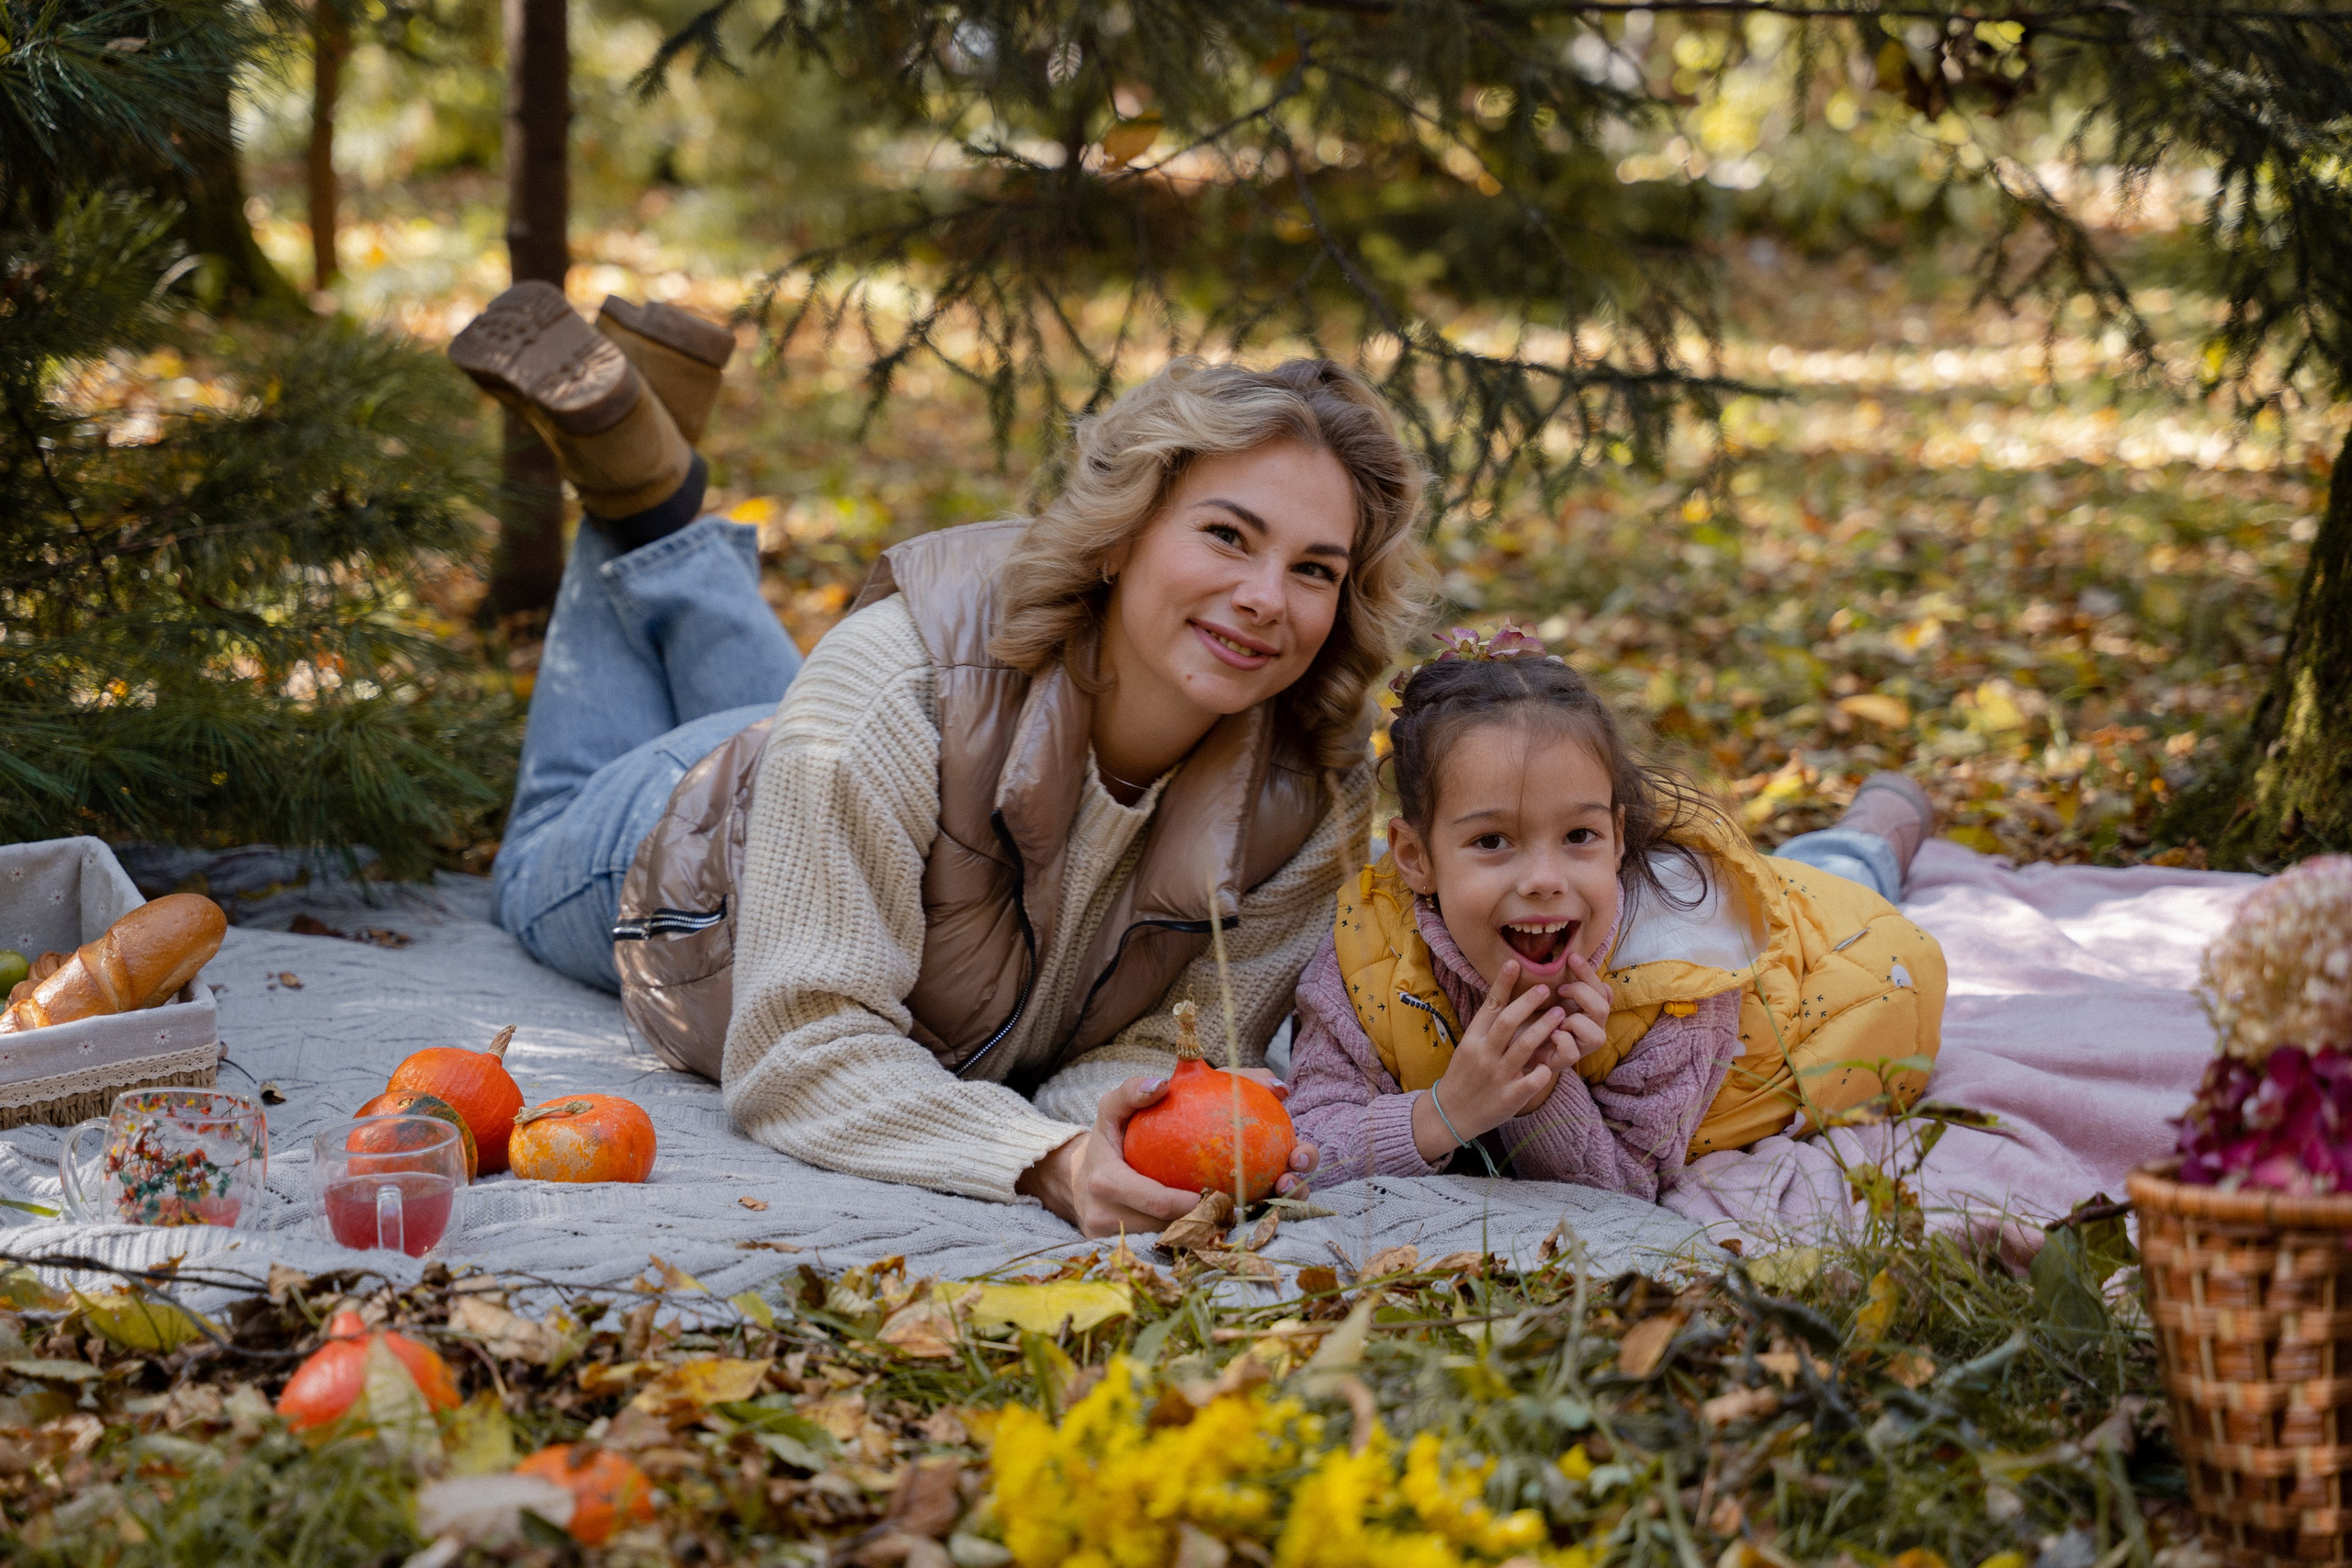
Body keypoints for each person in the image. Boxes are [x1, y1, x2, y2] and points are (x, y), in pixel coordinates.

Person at [446, 282, 1431, 1236]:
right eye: (1226, 535)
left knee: (825, 708)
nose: (1267, 597)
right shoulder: (892, 689)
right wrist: (1040, 1161)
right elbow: (798, 1047)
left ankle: (646, 467)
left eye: (1314, 569)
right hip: (695, 841)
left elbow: (1168, 1053)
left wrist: (1113, 1137)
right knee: (529, 859)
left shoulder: (1312, 785)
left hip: (845, 751)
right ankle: (637, 490)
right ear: (1124, 534)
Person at [1287, 626, 1948, 1199]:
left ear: (1618, 836)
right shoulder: (1366, 952)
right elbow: (1305, 1144)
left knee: (1845, 879)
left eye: (1579, 836)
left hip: (1828, 961)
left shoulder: (1679, 974)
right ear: (1413, 856)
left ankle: (1881, 822)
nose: (1545, 880)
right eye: (1492, 841)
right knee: (1804, 863)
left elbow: (1627, 1184)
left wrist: (1541, 1090)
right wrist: (1446, 1111)